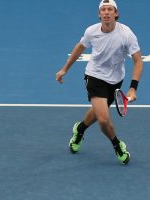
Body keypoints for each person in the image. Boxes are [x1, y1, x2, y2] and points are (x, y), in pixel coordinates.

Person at [55, 0, 143, 164]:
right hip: (94, 76)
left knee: (97, 112)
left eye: (110, 9)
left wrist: (133, 88)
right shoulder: (91, 31)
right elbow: (80, 48)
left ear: (116, 13)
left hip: (116, 79)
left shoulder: (126, 33)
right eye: (103, 10)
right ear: (99, 14)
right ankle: (117, 145)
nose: (106, 12)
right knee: (103, 119)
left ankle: (79, 129)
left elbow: (138, 61)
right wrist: (64, 69)